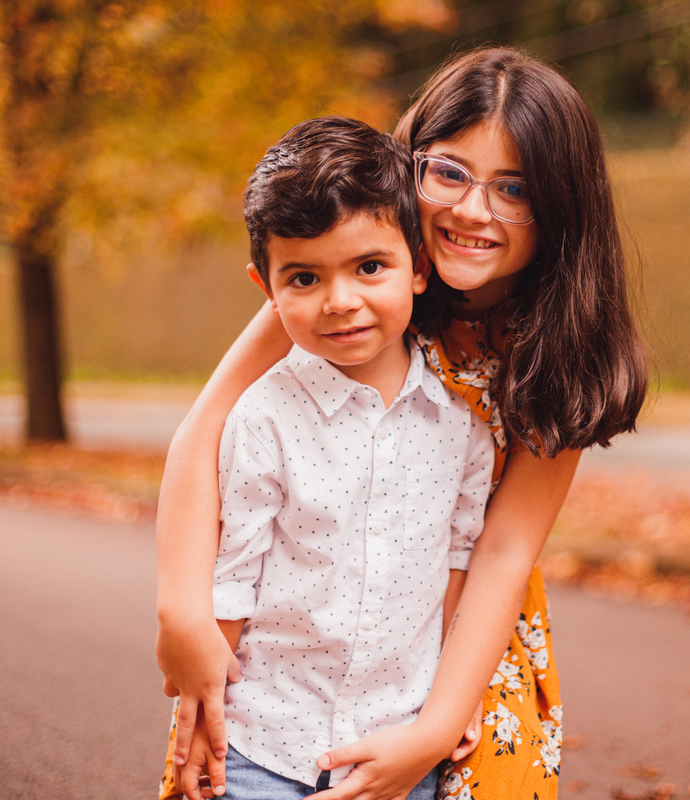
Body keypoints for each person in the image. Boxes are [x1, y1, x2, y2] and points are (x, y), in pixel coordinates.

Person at [156, 47, 647, 800]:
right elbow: (206, 429)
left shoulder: (562, 342)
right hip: (300, 661)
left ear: (560, 204)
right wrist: (183, 612)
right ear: (409, 166)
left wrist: (437, 724)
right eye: (450, 172)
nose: (473, 210)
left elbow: (505, 548)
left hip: (460, 633)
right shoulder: (352, 274)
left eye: (514, 188)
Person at [177, 114, 496, 800]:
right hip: (263, 743)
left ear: (418, 266)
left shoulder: (462, 427)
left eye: (369, 267)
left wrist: (453, 699)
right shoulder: (262, 418)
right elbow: (232, 576)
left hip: (398, 744)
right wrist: (201, 712)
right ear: (267, 289)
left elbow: (460, 560)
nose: (340, 302)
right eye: (304, 278)